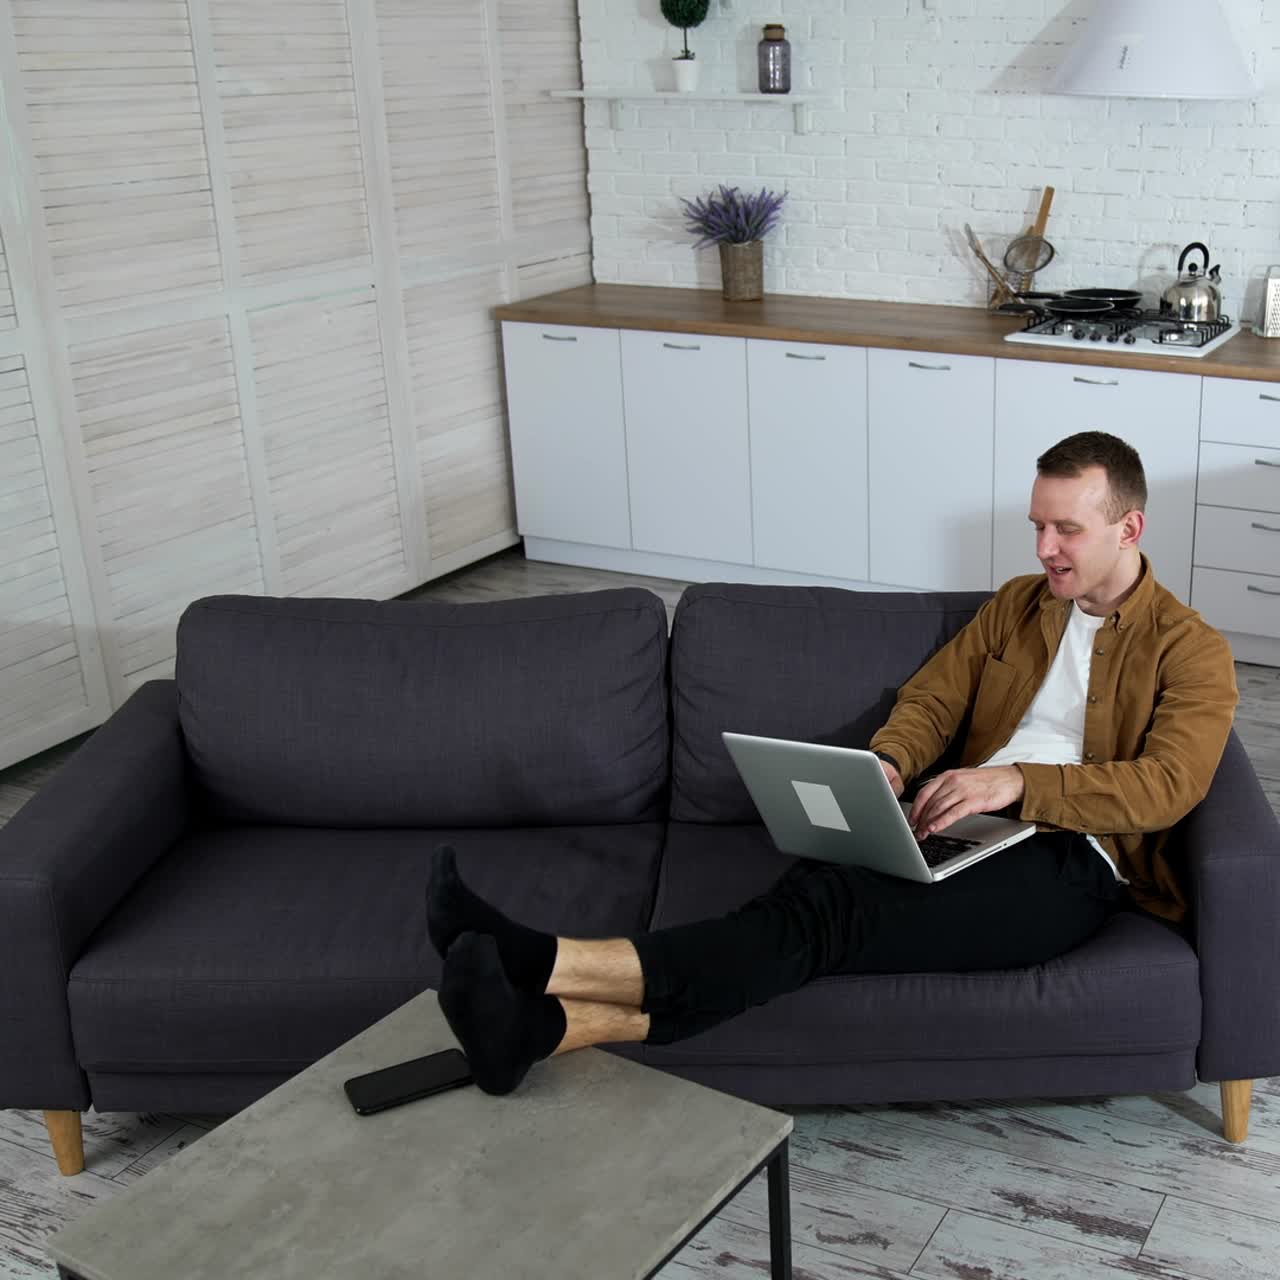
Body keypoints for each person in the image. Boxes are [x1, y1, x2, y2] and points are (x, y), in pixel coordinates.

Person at [428, 431, 1239, 1095]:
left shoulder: (1192, 650)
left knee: (824, 919)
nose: (1044, 547)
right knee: (807, 902)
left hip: (1072, 857)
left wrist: (1020, 781)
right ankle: (540, 1030)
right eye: (1037, 525)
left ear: (1128, 530)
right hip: (962, 820)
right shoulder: (1018, 605)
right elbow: (932, 700)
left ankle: (534, 957)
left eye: (1067, 530)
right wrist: (890, 762)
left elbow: (1169, 786)